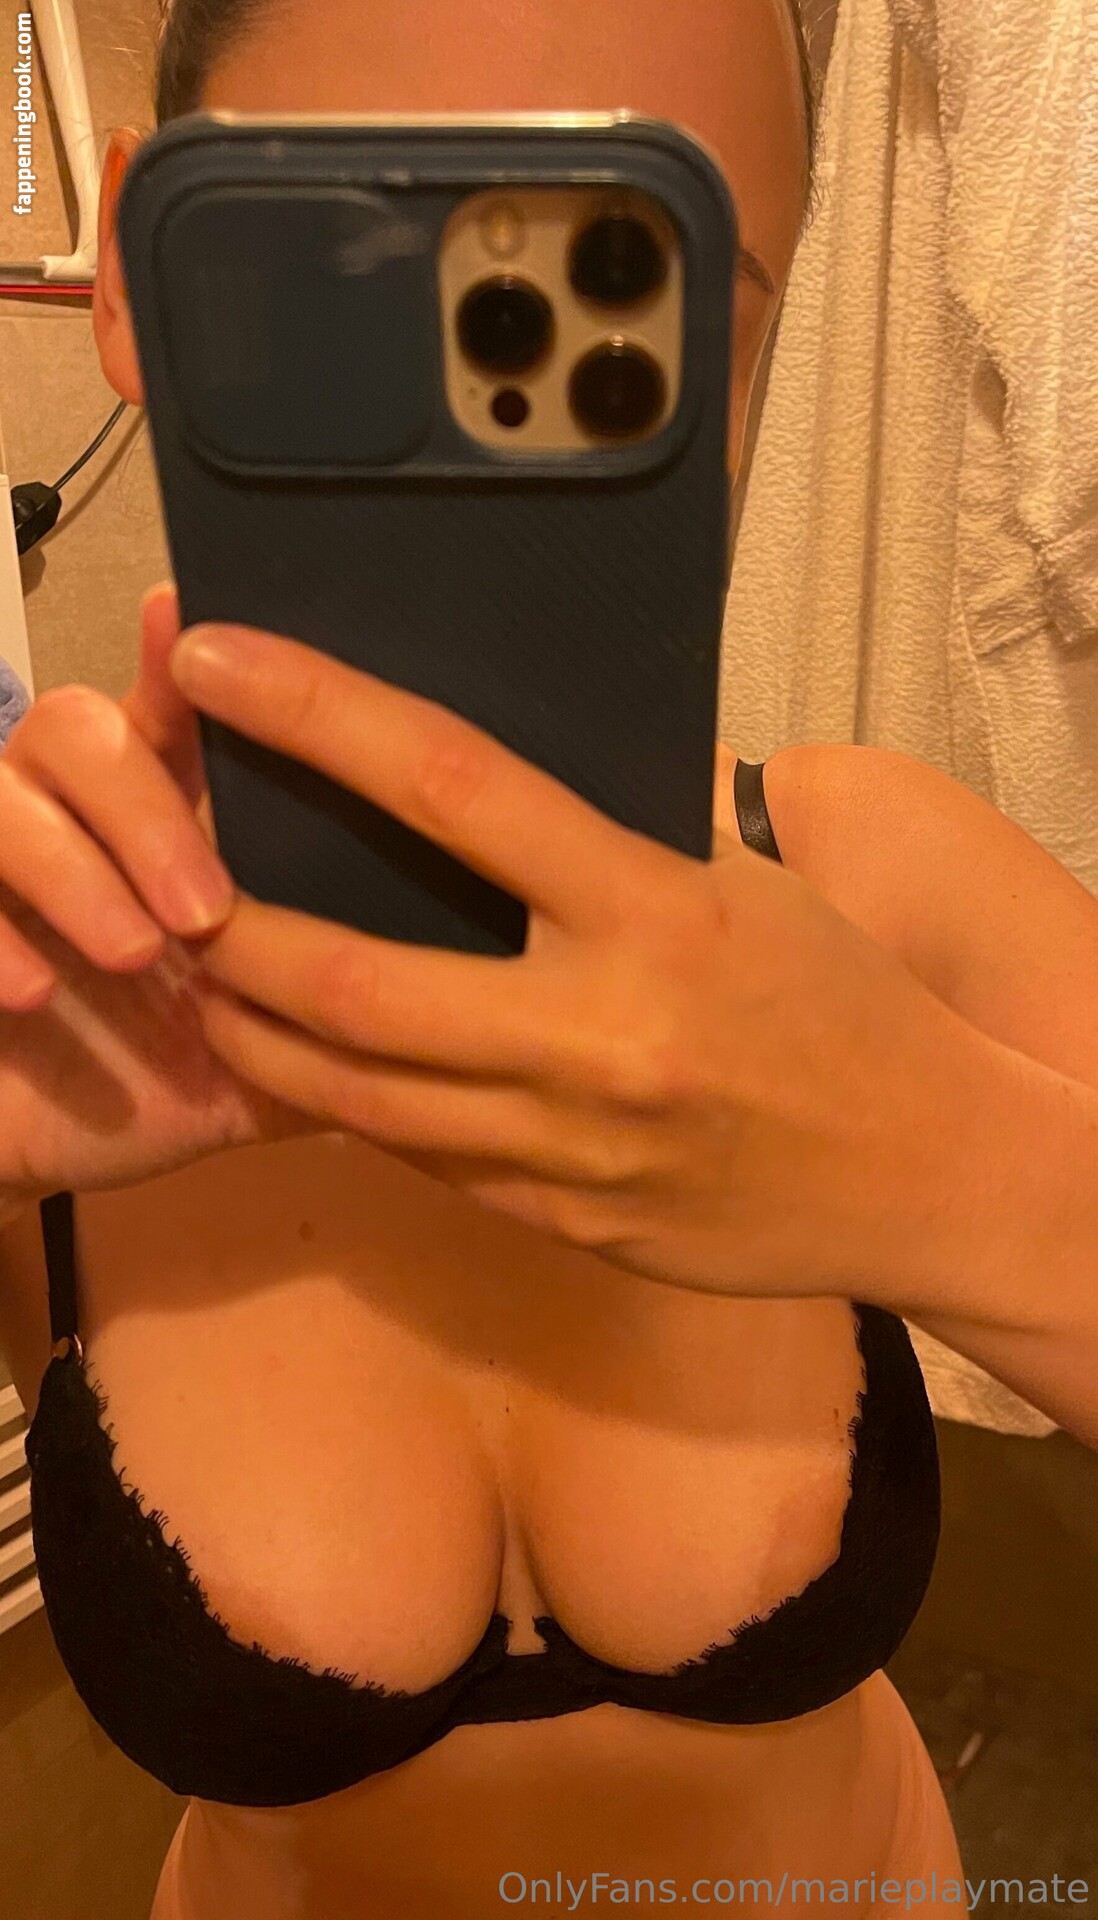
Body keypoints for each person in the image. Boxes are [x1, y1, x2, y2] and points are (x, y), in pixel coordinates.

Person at [1, 1, 1096, 1916]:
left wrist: (944, 1170)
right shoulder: (46, 992)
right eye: (367, 258)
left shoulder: (870, 883)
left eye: (634, 290)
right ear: (141, 278)